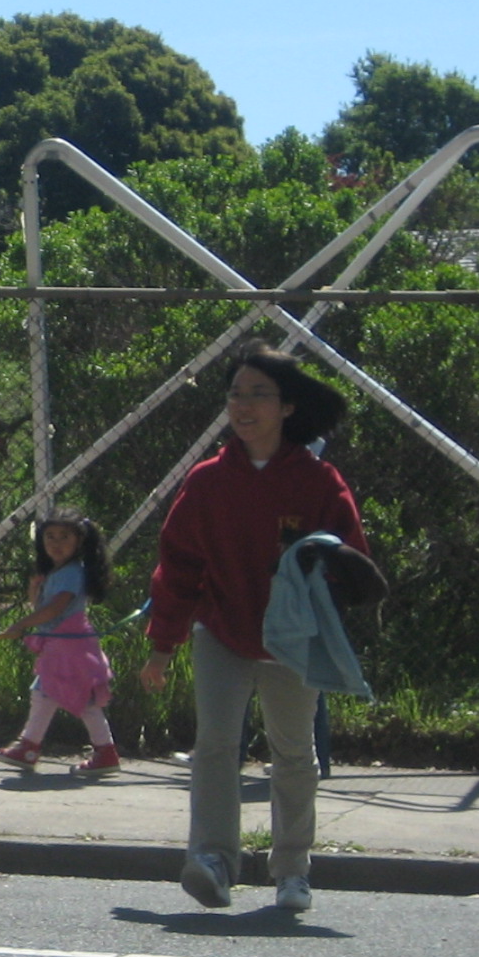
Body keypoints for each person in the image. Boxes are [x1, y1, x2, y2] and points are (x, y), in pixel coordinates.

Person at [142, 345, 367, 913]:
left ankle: (292, 870)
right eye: (235, 394)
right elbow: (179, 566)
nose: (243, 406)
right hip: (221, 633)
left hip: (292, 643)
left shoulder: (319, 482)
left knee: (293, 754)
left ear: (288, 407)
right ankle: (214, 860)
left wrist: (326, 595)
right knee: (215, 746)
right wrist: (162, 646)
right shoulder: (208, 481)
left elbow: (351, 560)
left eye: (258, 394)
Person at [0, 508, 120, 777]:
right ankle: (29, 747)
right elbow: (45, 607)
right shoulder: (58, 572)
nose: (56, 543)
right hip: (60, 647)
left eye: (64, 537)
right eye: (50, 536)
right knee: (43, 694)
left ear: (79, 541)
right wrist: (33, 592)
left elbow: (54, 609)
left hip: (71, 648)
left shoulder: (72, 572)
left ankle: (104, 752)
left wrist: (21, 624)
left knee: (83, 701)